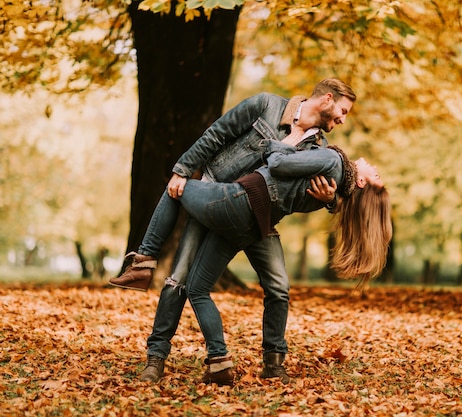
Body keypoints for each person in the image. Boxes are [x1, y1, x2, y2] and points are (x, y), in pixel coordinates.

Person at [109, 79, 357, 383]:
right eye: (343, 111)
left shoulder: (317, 148)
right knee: (178, 280)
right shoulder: (265, 105)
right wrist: (183, 170)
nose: (343, 119)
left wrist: (329, 202)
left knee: (278, 287)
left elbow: (307, 195)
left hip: (260, 218)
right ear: (327, 99)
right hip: (216, 193)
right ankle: (156, 359)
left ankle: (274, 363)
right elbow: (217, 134)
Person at [119, 142, 392, 386]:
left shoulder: (334, 166)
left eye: (376, 175)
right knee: (191, 285)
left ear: (361, 184)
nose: (374, 165)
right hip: (251, 214)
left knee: (176, 188)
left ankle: (144, 260)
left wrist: (278, 146)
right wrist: (332, 201)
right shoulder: (330, 166)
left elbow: (281, 161)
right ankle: (198, 359)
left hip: (246, 204)